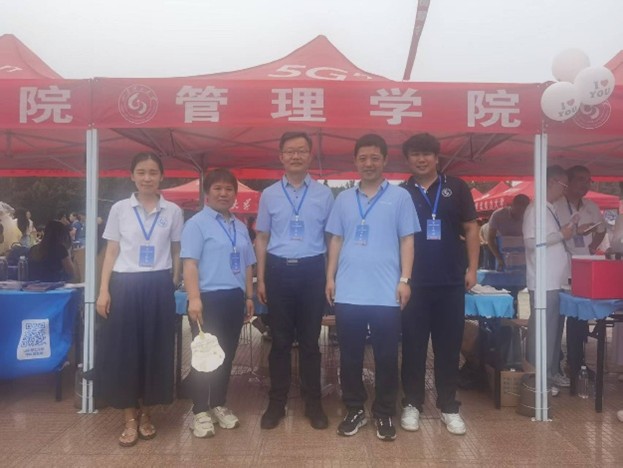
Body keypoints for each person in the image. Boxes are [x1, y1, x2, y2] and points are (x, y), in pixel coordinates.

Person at [325, 134, 419, 441]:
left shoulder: (400, 197)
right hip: (349, 291)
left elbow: (407, 239)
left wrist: (405, 279)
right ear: (355, 161)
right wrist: (330, 277)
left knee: (386, 356)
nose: (368, 163)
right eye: (363, 158)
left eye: (375, 158)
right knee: (349, 356)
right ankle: (354, 409)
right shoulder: (343, 199)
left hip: (386, 293)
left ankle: (384, 412)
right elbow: (336, 239)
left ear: (384, 160)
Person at [95, 152, 183, 447]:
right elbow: (111, 252)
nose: (147, 178)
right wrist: (104, 289)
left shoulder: (173, 211)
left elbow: (176, 250)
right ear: (132, 175)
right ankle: (129, 418)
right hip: (125, 284)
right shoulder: (120, 209)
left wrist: (173, 280)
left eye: (153, 172)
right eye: (142, 172)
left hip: (158, 285)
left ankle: (147, 415)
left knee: (155, 350)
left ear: (162, 176)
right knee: (126, 352)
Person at [399, 133, 479, 436]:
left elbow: (471, 228)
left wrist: (473, 268)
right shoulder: (401, 192)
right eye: (415, 154)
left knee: (448, 347)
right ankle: (412, 403)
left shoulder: (456, 187)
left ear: (436, 157)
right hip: (414, 284)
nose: (421, 159)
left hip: (450, 281)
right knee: (413, 346)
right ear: (407, 159)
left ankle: (448, 406)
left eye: (427, 154)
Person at [255, 131, 334, 430]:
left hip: (312, 270)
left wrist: (330, 276)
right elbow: (262, 237)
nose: (296, 156)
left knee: (311, 342)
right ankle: (277, 403)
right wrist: (261, 278)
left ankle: (314, 404)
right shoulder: (270, 194)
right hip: (278, 271)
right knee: (280, 342)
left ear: (310, 156)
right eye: (290, 151)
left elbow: (331, 238)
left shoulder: (324, 195)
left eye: (301, 150)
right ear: (281, 156)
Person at [181, 169, 256, 439]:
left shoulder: (239, 226)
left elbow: (248, 264)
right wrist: (194, 298)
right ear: (207, 192)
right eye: (218, 189)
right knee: (204, 357)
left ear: (235, 194)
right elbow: (190, 263)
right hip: (207, 299)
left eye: (229, 189)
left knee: (226, 355)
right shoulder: (197, 224)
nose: (223, 194)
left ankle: (218, 404)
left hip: (233, 298)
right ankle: (200, 410)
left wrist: (249, 296)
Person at [554, 165, 607, 386]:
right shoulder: (556, 205)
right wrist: (575, 231)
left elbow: (602, 229)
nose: (585, 184)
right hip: (560, 267)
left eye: (588, 180)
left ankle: (576, 363)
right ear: (568, 182)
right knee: (556, 318)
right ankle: (553, 363)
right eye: (580, 179)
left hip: (584, 268)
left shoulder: (591, 206)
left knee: (579, 318)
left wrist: (591, 248)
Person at [523, 165, 573, 390]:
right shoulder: (536, 209)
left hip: (554, 280)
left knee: (552, 332)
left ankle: (549, 373)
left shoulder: (548, 208)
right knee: (543, 332)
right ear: (551, 182)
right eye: (564, 185)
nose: (565, 190)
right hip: (543, 281)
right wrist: (560, 235)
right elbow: (530, 242)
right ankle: (537, 378)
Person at [487, 194, 530, 271]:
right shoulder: (498, 215)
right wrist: (499, 258)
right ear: (512, 205)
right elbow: (490, 238)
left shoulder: (529, 216)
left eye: (523, 211)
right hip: (502, 256)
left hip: (523, 257)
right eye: (518, 210)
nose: (520, 214)